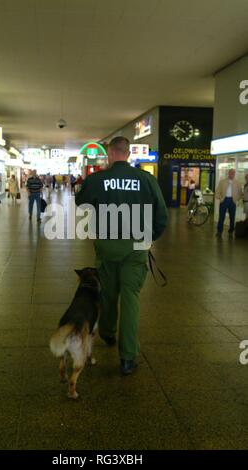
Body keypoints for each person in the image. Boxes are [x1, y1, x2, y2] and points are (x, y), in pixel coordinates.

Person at [75, 136, 168, 376]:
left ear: (110, 154)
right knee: (130, 297)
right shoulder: (146, 180)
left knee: (106, 291)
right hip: (136, 246)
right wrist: (150, 236)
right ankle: (128, 358)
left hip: (107, 244)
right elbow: (161, 214)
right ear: (128, 153)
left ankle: (107, 331)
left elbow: (81, 203)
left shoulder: (97, 179)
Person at [215, 169, 243, 237]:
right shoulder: (222, 181)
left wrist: (236, 199)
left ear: (234, 174)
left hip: (232, 201)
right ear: (228, 173)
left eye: (233, 173)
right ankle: (219, 231)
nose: (232, 174)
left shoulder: (237, 182)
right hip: (224, 200)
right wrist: (220, 198)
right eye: (230, 173)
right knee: (221, 216)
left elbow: (240, 193)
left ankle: (231, 230)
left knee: (232, 217)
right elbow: (217, 191)